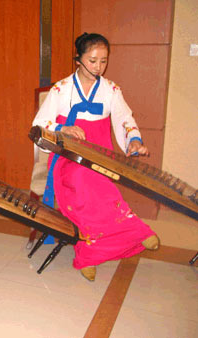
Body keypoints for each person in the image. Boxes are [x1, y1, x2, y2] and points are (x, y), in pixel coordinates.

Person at [32, 33, 159, 281]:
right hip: (69, 156)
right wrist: (63, 128)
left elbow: (125, 118)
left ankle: (109, 243)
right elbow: (39, 124)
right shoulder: (61, 89)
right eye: (92, 61)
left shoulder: (111, 89)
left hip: (99, 154)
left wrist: (134, 140)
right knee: (81, 181)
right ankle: (120, 237)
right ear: (77, 60)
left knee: (100, 182)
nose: (98, 67)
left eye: (103, 61)